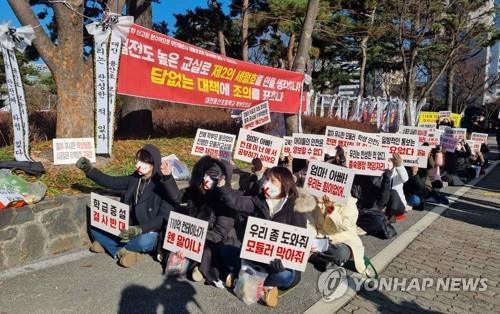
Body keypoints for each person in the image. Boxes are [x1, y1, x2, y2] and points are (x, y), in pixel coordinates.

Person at [75, 145, 180, 267]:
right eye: (138, 161)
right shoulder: (136, 178)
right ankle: (122, 251)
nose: (138, 165)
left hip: (148, 231)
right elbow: (111, 182)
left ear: (154, 164)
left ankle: (109, 245)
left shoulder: (162, 184)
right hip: (128, 225)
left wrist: (139, 229)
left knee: (143, 241)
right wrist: (89, 169)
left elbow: (163, 217)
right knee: (96, 225)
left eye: (144, 162)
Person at [218, 167, 306, 307]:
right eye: (267, 179)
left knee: (285, 276)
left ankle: (245, 279)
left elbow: (299, 243)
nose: (267, 184)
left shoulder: (295, 208)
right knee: (225, 251)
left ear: (285, 184)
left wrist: (284, 264)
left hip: (279, 266)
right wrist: (223, 187)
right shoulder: (259, 201)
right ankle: (259, 284)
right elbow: (236, 202)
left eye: (273, 181)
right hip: (256, 259)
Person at [178, 156, 240, 288]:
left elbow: (219, 233)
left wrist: (195, 236)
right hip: (198, 236)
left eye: (213, 176)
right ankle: (193, 266)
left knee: (208, 252)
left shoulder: (227, 201)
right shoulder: (197, 192)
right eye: (206, 174)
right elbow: (176, 196)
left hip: (219, 241)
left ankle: (199, 268)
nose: (207, 179)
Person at [302, 191, 366, 275]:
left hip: (340, 240)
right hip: (319, 237)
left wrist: (330, 209)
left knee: (341, 253)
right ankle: (315, 256)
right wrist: (310, 238)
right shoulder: (313, 197)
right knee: (303, 239)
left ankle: (313, 255)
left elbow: (343, 226)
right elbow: (309, 222)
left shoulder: (349, 202)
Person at [386, 154, 408, 222]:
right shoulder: (380, 168)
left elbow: (405, 179)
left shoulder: (398, 169)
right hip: (383, 203)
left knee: (393, 191)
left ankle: (392, 214)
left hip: (398, 205)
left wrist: (399, 165)